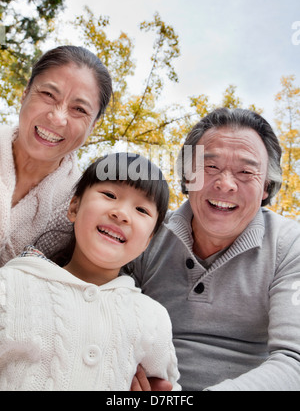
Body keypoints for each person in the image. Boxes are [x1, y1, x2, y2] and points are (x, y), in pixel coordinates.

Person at [131, 108, 300, 391]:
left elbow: (294, 361)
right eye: (210, 167)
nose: (225, 184)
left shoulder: (290, 245)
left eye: (246, 171)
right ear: (187, 176)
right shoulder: (147, 231)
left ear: (266, 186)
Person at [0, 153, 181, 391]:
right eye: (109, 195)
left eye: (141, 209)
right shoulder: (10, 286)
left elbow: (167, 388)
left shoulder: (153, 318)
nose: (121, 213)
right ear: (74, 206)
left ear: (148, 240)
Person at [0, 45, 112, 266]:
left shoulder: (79, 210)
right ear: (25, 94)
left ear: (93, 127)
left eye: (79, 109)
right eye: (48, 95)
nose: (57, 118)